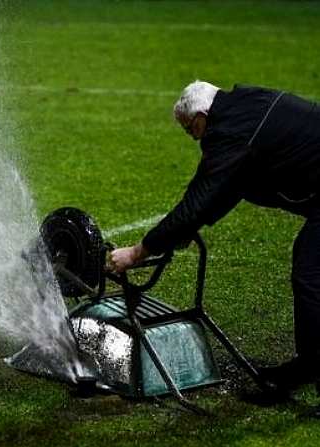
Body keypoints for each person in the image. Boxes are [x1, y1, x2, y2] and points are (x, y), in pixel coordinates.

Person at [109, 81, 320, 401]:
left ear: (203, 115)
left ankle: (311, 368)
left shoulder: (229, 133)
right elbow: (230, 189)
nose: (195, 138)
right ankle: (308, 365)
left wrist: (138, 252)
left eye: (192, 129)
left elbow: (200, 202)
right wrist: (178, 234)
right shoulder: (244, 103)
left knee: (311, 275)